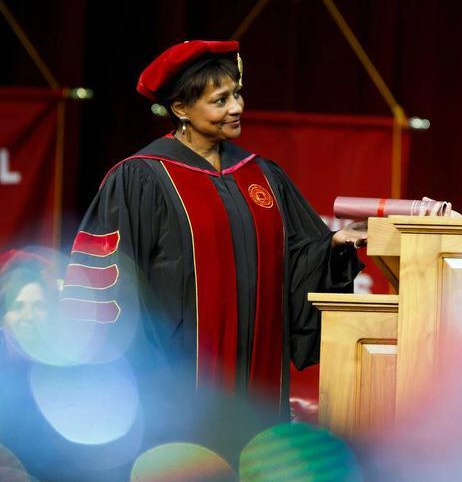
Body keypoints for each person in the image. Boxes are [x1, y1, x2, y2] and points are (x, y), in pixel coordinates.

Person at [60, 40, 367, 418]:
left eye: (237, 94)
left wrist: (332, 245)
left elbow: (296, 262)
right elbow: (109, 285)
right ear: (180, 109)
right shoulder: (143, 179)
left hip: (259, 385)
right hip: (176, 385)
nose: (237, 108)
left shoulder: (263, 176)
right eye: (220, 100)